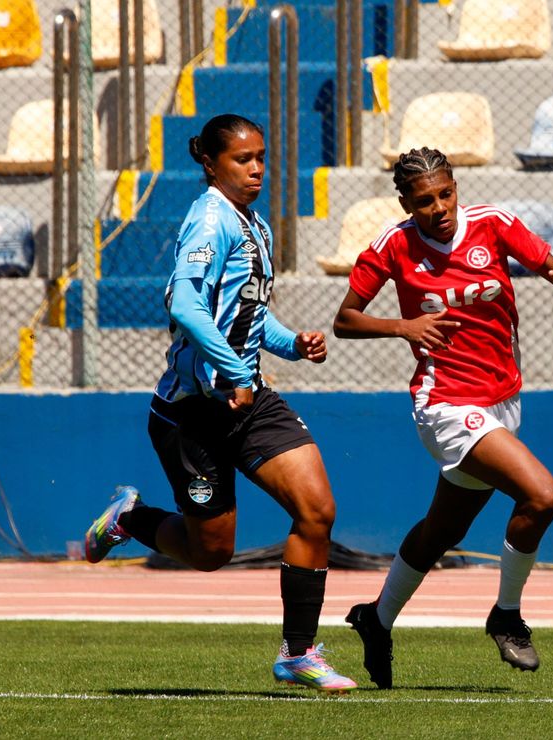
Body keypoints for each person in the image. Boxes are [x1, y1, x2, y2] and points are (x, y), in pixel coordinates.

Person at [82, 113, 356, 694]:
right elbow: (184, 304)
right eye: (242, 159)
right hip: (193, 413)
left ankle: (299, 653)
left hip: (247, 398)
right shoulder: (210, 220)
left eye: (261, 156)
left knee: (317, 510)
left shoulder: (253, 223)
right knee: (211, 553)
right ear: (210, 163)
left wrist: (292, 343)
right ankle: (130, 518)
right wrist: (235, 371)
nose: (256, 168)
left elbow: (250, 317)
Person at [334, 147, 553, 688]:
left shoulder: (494, 225)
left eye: (445, 194)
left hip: (502, 401)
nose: (439, 208)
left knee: (440, 532)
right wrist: (403, 327)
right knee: (541, 495)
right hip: (445, 404)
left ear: (457, 188)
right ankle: (506, 615)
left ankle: (375, 620)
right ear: (406, 202)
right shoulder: (393, 245)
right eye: (424, 200)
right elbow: (345, 321)